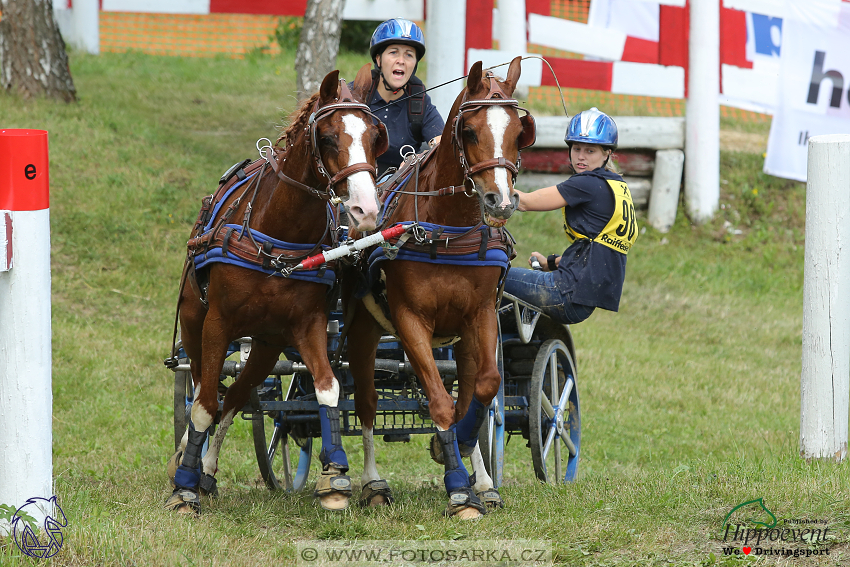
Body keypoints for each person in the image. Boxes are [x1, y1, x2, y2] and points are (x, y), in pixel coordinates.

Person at [504, 108, 638, 325]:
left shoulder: (587, 183)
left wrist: (486, 183)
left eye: (590, 151)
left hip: (564, 292)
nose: (581, 157)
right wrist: (551, 263)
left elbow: (525, 202)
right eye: (576, 149)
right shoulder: (617, 187)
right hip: (581, 298)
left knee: (493, 275)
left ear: (607, 154)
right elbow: (596, 251)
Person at [366, 18, 444, 177]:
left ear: (414, 64)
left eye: (409, 55)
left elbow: (441, 144)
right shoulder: (356, 94)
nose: (401, 61)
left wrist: (418, 159)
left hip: (402, 189)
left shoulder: (420, 101)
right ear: (379, 60)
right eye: (393, 52)